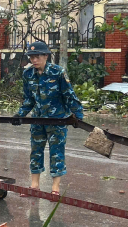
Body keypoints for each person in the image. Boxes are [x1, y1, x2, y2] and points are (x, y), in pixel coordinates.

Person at [13, 41, 84, 194]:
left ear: (46, 56)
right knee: (36, 151)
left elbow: (69, 95)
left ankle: (55, 187)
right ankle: (34, 185)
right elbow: (28, 99)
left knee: (56, 152)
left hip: (57, 120)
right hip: (38, 120)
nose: (34, 60)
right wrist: (20, 114)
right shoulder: (28, 74)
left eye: (37, 57)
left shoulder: (57, 72)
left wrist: (78, 114)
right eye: (31, 57)